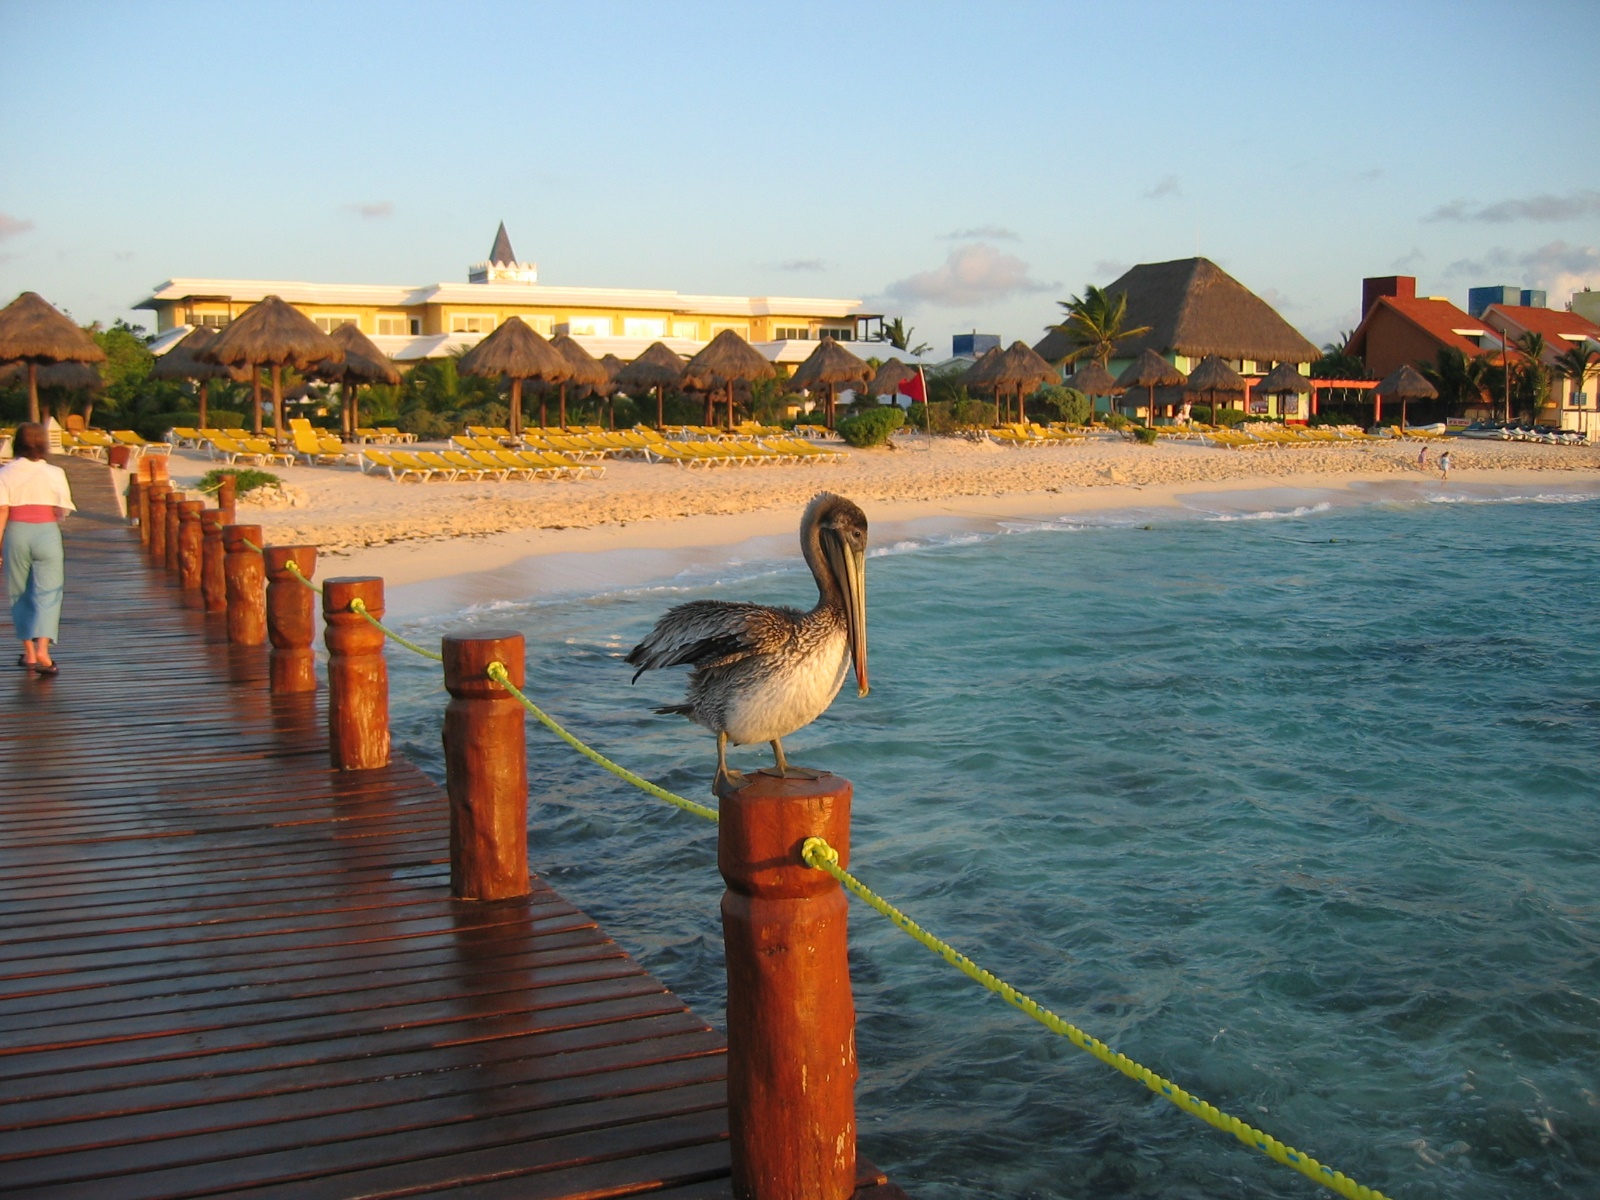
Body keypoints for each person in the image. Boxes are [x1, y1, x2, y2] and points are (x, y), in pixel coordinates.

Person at [0, 423, 76, 675]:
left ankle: (30, 654)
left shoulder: (5, 472)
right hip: (47, 533)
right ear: (44, 444)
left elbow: (2, 510)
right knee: (49, 593)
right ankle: (44, 649)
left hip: (17, 531)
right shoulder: (55, 472)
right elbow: (61, 510)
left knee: (19, 592)